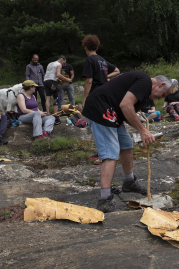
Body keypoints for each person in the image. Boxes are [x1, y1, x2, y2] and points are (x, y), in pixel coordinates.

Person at [82, 72, 172, 213]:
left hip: (111, 111)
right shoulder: (145, 82)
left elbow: (126, 110)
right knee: (110, 153)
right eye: (163, 94)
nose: (160, 98)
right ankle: (105, 200)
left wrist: (142, 129)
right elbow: (126, 105)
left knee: (126, 144)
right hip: (100, 108)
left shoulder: (144, 86)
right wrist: (143, 131)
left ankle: (129, 182)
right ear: (160, 85)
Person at [81, 35, 120, 164]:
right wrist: (105, 77)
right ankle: (101, 150)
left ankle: (104, 155)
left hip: (95, 96)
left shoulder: (90, 60)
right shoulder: (101, 60)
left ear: (85, 47)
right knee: (97, 122)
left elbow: (89, 80)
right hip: (104, 94)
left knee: (97, 124)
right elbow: (117, 70)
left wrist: (85, 98)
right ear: (97, 47)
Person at [43, 55, 71, 124]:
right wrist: (67, 79)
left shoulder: (50, 63)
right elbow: (58, 75)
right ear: (62, 60)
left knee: (48, 97)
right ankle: (56, 117)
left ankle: (48, 114)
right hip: (52, 81)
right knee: (56, 97)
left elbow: (52, 75)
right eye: (64, 63)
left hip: (46, 81)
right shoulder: (59, 64)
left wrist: (58, 80)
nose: (63, 65)